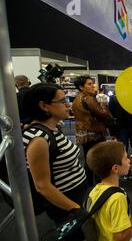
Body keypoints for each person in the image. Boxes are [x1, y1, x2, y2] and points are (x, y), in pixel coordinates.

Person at [22, 83, 87, 224]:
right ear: (44, 106)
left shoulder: (53, 129)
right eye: (63, 101)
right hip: (66, 203)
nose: (68, 105)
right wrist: (76, 209)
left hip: (77, 195)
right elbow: (42, 186)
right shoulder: (39, 139)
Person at [72, 75, 113, 186]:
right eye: (89, 84)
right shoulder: (88, 98)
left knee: (88, 158)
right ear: (81, 87)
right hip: (94, 133)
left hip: (83, 133)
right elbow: (103, 114)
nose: (92, 86)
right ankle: (98, 184)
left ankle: (89, 184)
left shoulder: (77, 98)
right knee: (98, 159)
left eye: (92, 83)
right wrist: (104, 105)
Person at [109, 94, 132, 179]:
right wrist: (112, 132)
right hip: (121, 129)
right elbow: (110, 116)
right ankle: (126, 171)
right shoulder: (114, 98)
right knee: (123, 151)